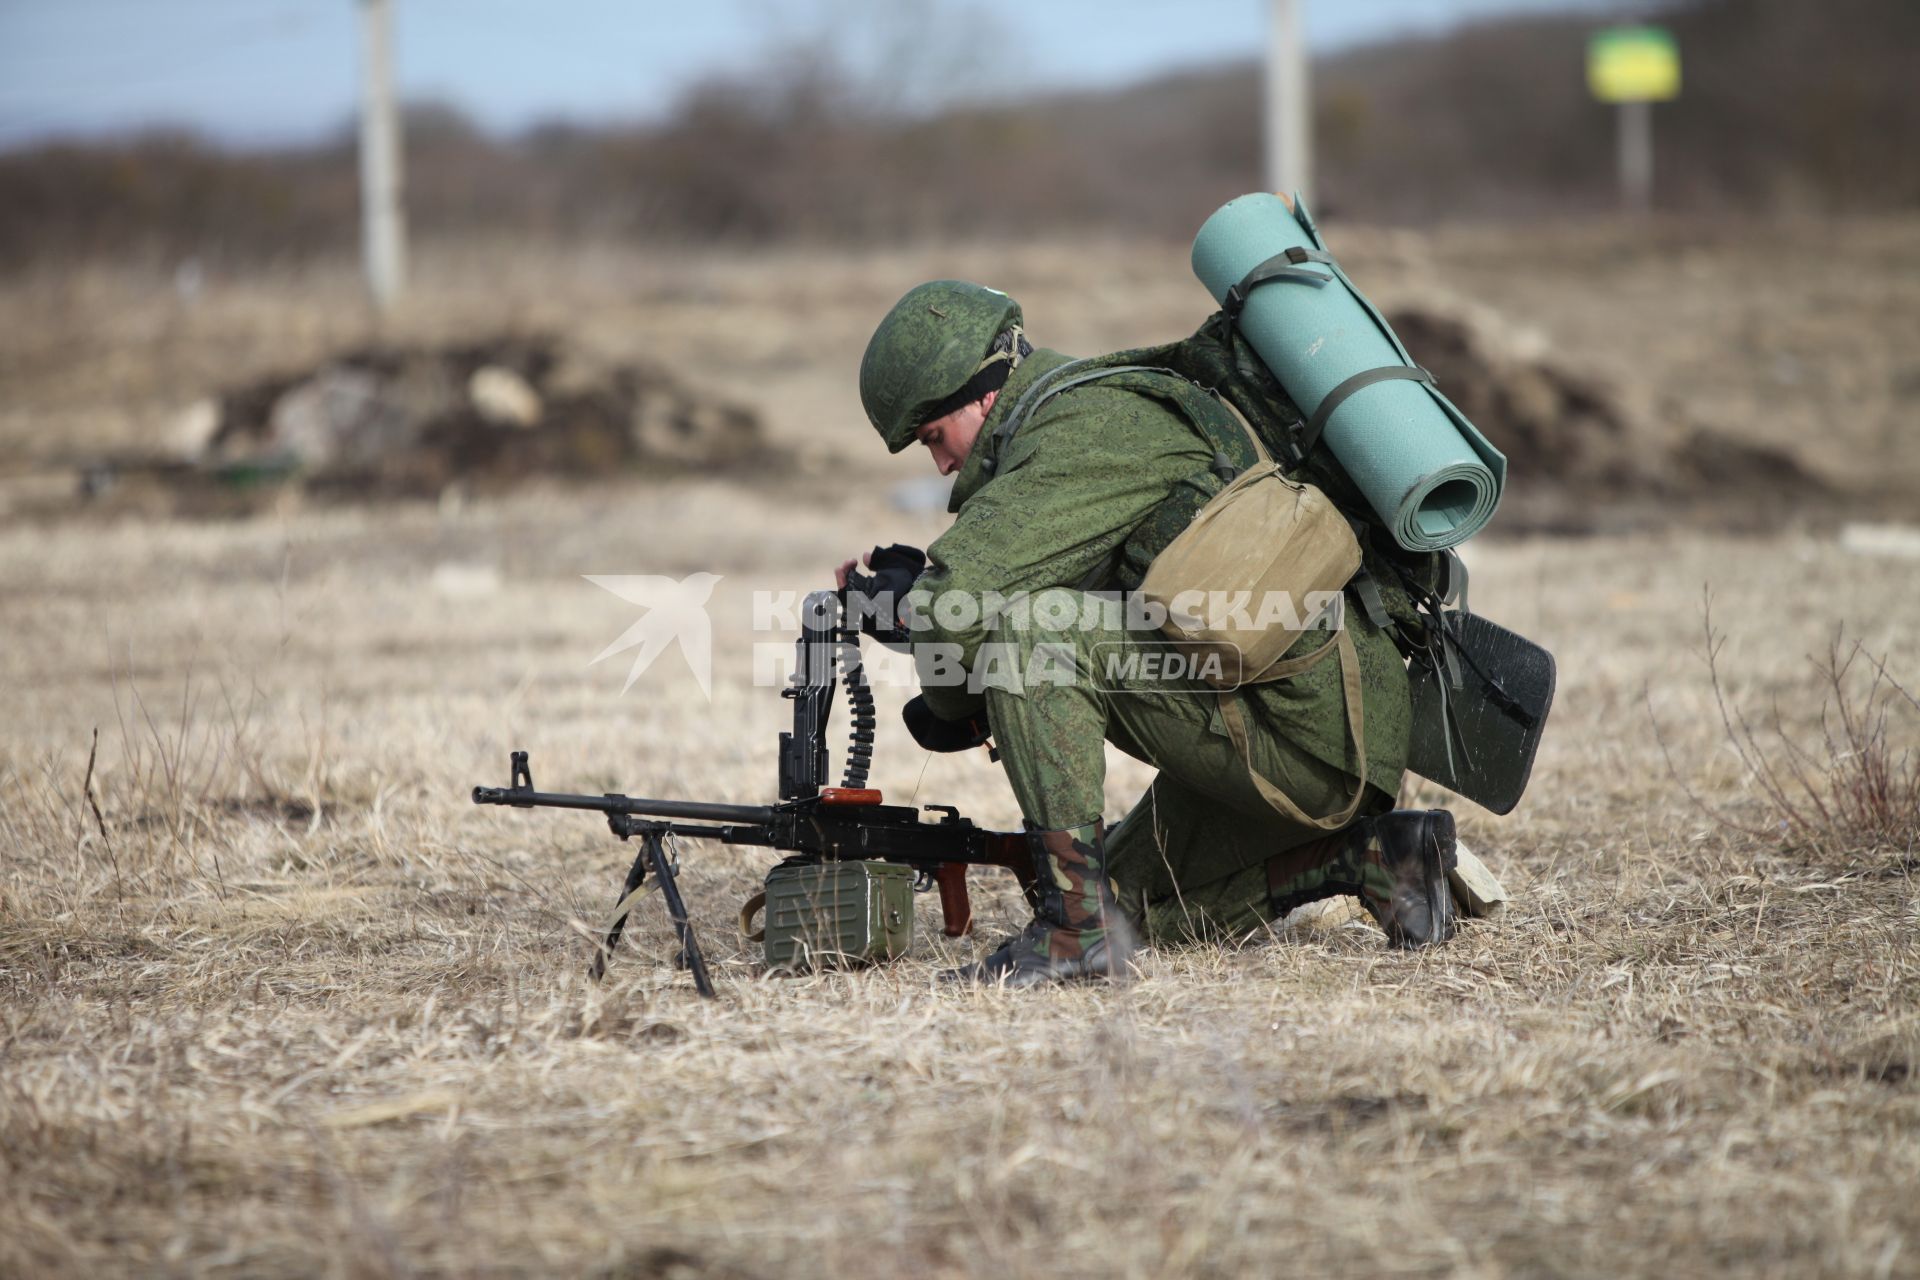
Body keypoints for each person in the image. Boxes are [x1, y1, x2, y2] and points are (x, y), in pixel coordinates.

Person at [841, 280, 1457, 988]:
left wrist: (941, 688)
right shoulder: (1090, 412)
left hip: (1304, 732)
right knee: (1124, 906)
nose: (943, 464)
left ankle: (1075, 937)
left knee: (1036, 636)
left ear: (980, 393)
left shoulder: (1086, 427)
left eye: (933, 437)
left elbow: (963, 607)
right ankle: (1379, 861)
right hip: (1324, 732)